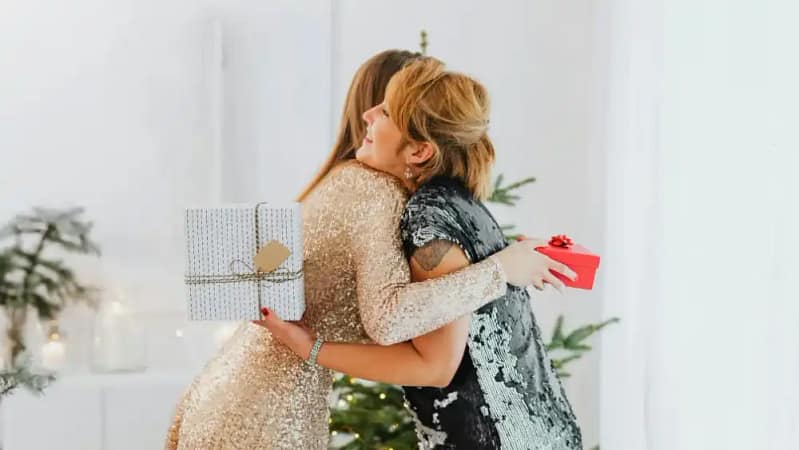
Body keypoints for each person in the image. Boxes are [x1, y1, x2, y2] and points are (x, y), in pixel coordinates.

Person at [164, 50, 573, 450]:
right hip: (261, 415)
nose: (370, 115)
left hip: (228, 392)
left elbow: (270, 257)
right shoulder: (372, 192)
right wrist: (498, 270)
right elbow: (393, 321)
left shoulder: (342, 182)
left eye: (386, 109)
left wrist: (489, 253)